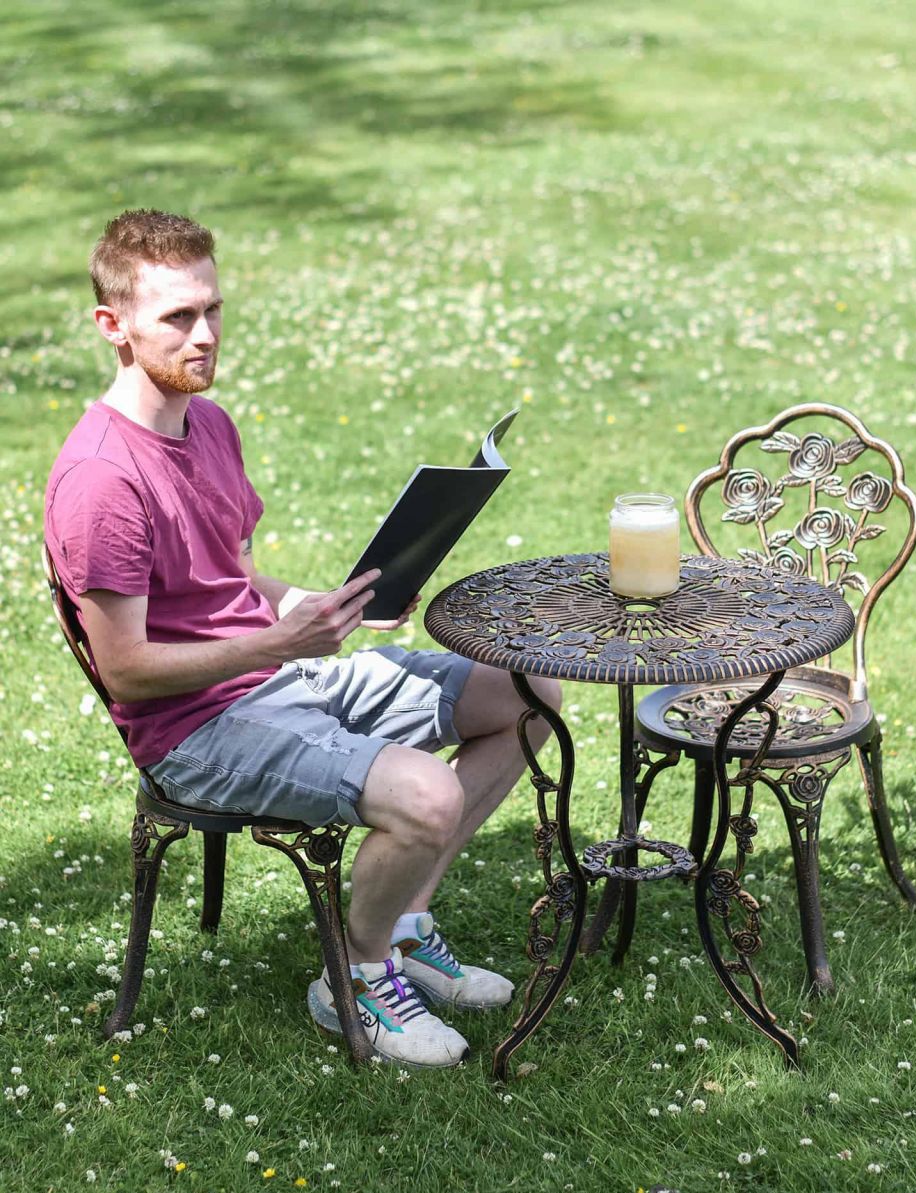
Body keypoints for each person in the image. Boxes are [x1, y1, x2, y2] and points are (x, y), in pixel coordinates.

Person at [44, 209, 561, 1069]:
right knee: (425, 797)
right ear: (114, 326)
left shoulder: (206, 423)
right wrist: (281, 645)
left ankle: (398, 925)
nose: (204, 335)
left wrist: (335, 602)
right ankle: (353, 976)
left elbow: (234, 578)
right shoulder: (100, 480)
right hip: (194, 730)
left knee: (528, 693)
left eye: (212, 309)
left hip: (279, 677)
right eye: (177, 317)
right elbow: (128, 672)